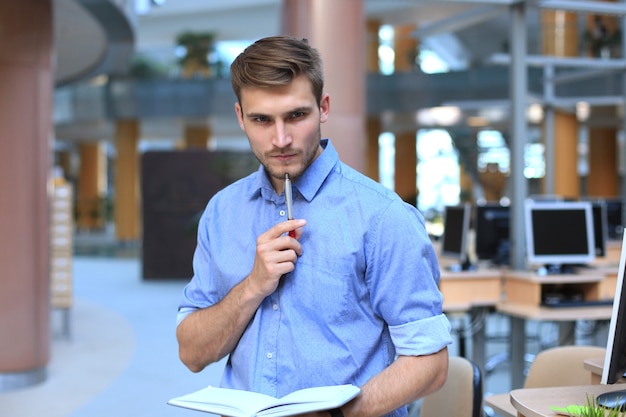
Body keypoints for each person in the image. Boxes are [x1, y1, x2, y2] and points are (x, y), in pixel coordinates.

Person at [176, 36, 452, 417]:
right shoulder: (222, 212)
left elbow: (430, 364)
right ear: (240, 117)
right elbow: (191, 353)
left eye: (295, 116)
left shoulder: (383, 217)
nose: (281, 139)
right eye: (261, 120)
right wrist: (253, 286)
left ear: (323, 108)